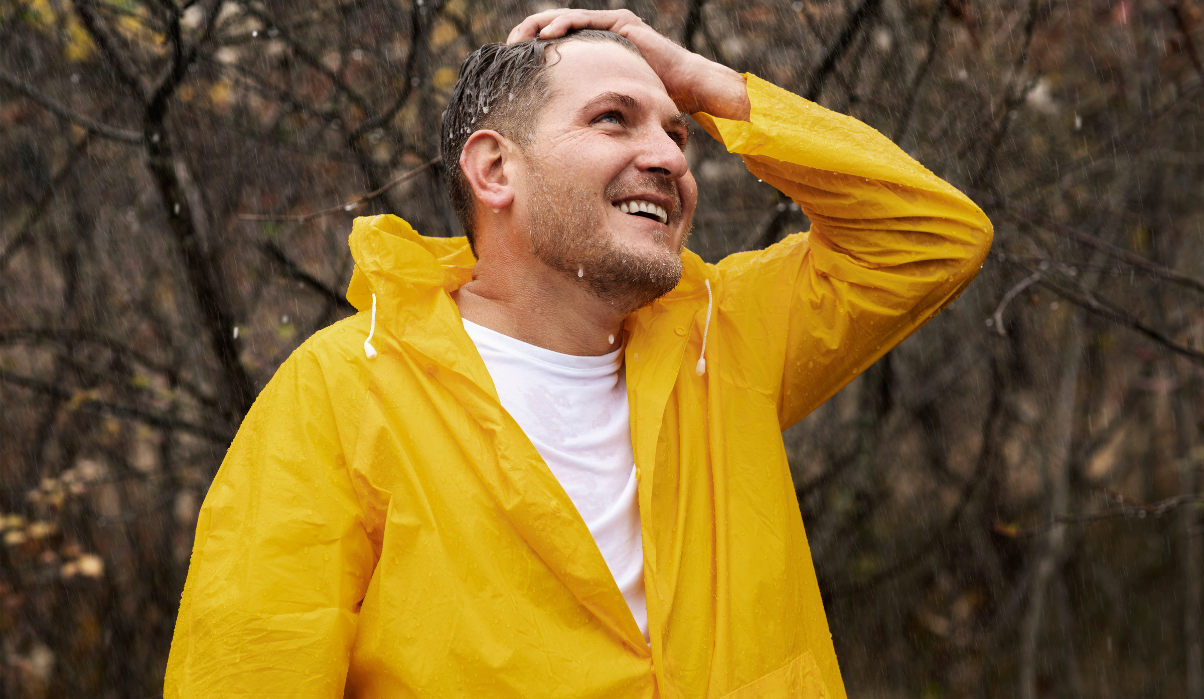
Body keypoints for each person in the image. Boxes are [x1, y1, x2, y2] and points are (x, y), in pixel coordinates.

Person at [164, 9, 992, 698]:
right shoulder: (342, 391)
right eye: (612, 119)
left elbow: (933, 239)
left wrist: (712, 88)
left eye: (678, 133)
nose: (670, 156)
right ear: (495, 169)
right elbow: (246, 670)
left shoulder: (724, 341)